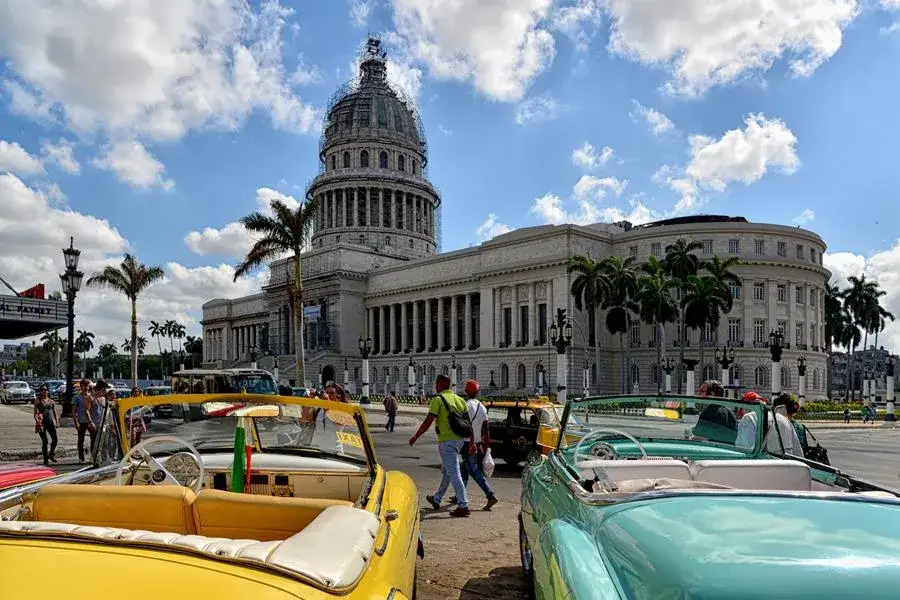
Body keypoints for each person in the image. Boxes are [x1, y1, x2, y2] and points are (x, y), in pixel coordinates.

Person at [408, 374, 474, 517]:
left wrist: (415, 437)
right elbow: (469, 424)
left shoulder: (437, 400)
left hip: (446, 441)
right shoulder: (460, 400)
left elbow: (427, 422)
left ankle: (463, 504)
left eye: (436, 383)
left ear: (439, 384)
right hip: (459, 440)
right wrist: (472, 442)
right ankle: (437, 498)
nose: (435, 386)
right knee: (448, 470)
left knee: (454, 472)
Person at [452, 380, 497, 510]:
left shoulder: (464, 406)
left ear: (466, 392)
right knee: (465, 469)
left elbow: (462, 426)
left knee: (472, 469)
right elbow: (485, 430)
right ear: (477, 392)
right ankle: (460, 495)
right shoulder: (482, 407)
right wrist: (486, 446)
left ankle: (490, 494)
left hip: (467, 443)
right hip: (477, 443)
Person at [735, 392, 804, 457]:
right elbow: (798, 454)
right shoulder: (784, 420)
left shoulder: (748, 418)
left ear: (747, 407)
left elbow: (746, 451)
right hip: (787, 467)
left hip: (763, 467)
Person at [34, 385, 59, 465]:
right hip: (41, 423)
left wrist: (57, 421)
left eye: (45, 390)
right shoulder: (38, 400)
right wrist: (37, 421)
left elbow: (55, 412)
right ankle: (45, 459)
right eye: (42, 390)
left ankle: (51, 454)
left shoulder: (51, 401)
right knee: (45, 441)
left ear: (48, 391)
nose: (44, 391)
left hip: (50, 422)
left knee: (55, 440)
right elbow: (35, 413)